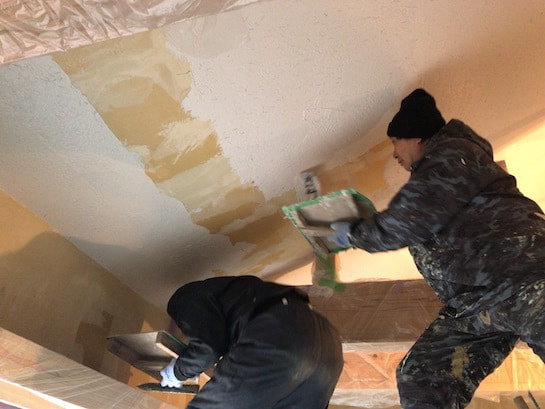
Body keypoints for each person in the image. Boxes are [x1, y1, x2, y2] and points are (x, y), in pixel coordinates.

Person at [328, 88, 545, 409]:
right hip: (476, 305)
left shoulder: (452, 156)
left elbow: (410, 220)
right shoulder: (445, 171)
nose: (394, 152)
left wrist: (354, 234)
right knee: (425, 375)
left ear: (417, 137)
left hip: (526, 281)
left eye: (395, 141)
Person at [159, 275, 343, 409]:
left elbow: (207, 351)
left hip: (283, 333)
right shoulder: (236, 293)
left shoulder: (183, 299)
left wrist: (177, 372)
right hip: (327, 345)